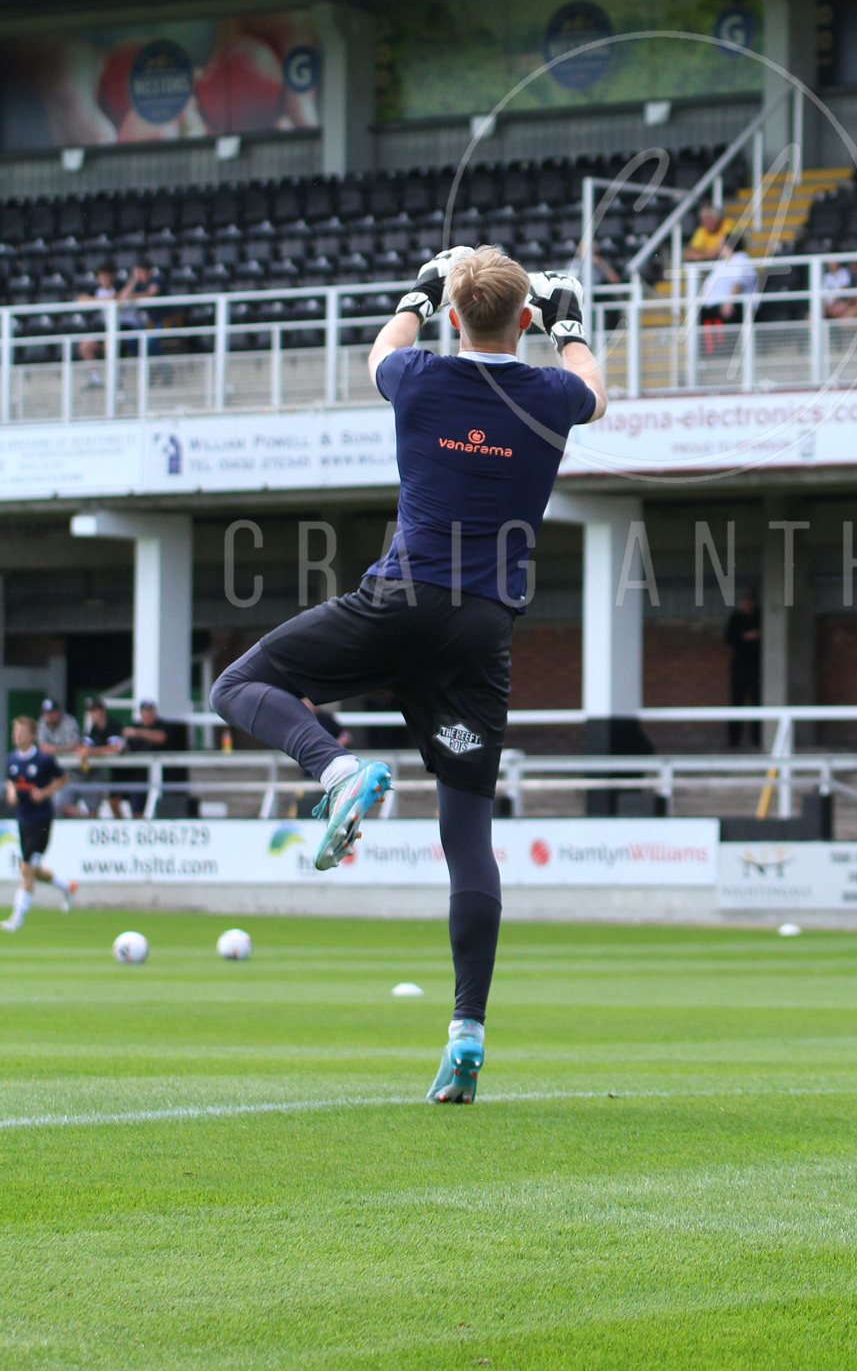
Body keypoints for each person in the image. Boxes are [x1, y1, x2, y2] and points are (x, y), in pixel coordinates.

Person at [210, 244, 607, 1105]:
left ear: (454, 316)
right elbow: (593, 388)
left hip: (400, 600)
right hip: (481, 629)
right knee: (467, 837)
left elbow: (381, 352)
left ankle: (336, 769)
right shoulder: (550, 394)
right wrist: (569, 322)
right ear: (525, 321)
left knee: (235, 686)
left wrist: (419, 293)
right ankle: (467, 1032)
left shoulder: (419, 377)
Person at [3, 714, 78, 930]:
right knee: (31, 868)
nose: (16, 736)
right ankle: (67, 887)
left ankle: (17, 918)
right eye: (15, 732)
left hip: (42, 820)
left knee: (26, 868)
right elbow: (11, 779)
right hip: (23, 818)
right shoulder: (12, 759)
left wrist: (44, 793)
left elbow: (63, 778)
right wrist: (11, 791)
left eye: (21, 732)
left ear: (32, 736)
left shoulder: (43, 759)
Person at [724, 590, 762, 747]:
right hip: (739, 667)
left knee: (757, 702)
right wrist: (745, 636)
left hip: (757, 667)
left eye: (749, 602)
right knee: (736, 702)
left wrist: (757, 635)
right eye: (744, 602)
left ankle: (758, 739)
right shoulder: (736, 618)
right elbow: (728, 639)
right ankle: (734, 741)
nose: (746, 605)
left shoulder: (760, 617)